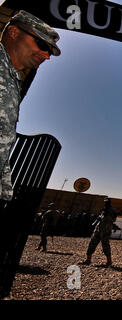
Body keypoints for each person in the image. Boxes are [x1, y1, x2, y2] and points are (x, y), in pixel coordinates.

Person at [0, 10, 60, 202]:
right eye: (42, 44)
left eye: (50, 51)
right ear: (14, 33)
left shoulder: (12, 79)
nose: (46, 55)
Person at [79, 197, 117, 266]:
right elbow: (100, 218)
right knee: (92, 243)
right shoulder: (103, 210)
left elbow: (114, 219)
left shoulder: (112, 210)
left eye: (107, 202)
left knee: (105, 245)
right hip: (98, 229)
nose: (106, 203)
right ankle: (88, 260)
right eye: (105, 202)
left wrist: (108, 215)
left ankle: (109, 262)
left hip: (106, 230)